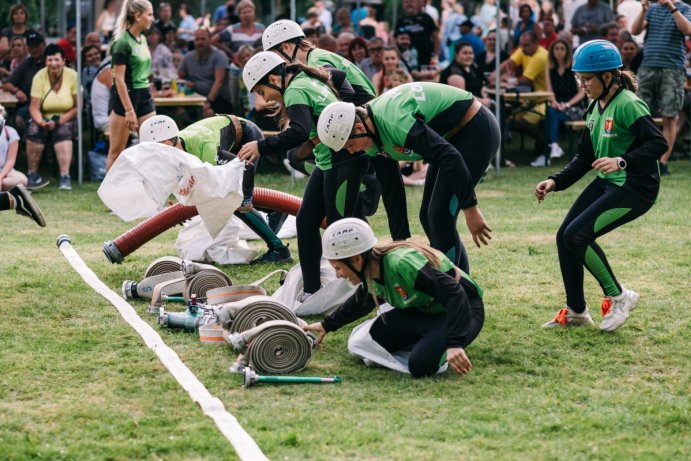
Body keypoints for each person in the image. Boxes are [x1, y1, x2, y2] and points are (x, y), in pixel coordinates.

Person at [535, 40, 667, 332]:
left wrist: (622, 161)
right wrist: (555, 181)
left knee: (577, 236)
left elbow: (658, 143)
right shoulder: (595, 107)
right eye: (578, 78)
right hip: (609, 182)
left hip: (636, 187)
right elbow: (585, 157)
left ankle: (619, 296)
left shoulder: (628, 104)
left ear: (608, 76)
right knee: (564, 237)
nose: (581, 84)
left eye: (586, 79)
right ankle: (577, 311)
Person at [317, 82, 500, 273]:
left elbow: (450, 158)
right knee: (428, 218)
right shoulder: (371, 135)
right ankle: (459, 289)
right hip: (452, 139)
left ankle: (454, 290)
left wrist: (470, 209)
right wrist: (399, 239)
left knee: (439, 217)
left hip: (475, 131)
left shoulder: (395, 122)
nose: (351, 152)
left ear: (359, 127)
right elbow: (391, 186)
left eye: (348, 145)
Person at [237, 52, 368, 302]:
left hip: (344, 161)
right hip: (328, 162)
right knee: (306, 222)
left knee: (341, 229)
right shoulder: (307, 79)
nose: (264, 100)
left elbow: (297, 131)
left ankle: (365, 289)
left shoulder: (295, 90)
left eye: (263, 92)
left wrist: (260, 147)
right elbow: (341, 81)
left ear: (275, 78)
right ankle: (311, 290)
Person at [303, 218, 484, 378]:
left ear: (356, 260)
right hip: (425, 312)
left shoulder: (401, 263)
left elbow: (454, 292)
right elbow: (362, 302)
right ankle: (429, 340)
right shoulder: (370, 269)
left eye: (338, 268)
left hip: (464, 309)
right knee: (369, 340)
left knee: (420, 366)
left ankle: (439, 344)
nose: (337, 275)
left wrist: (454, 343)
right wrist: (327, 325)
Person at [139, 115, 292, 263]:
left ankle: (279, 250)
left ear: (166, 144)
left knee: (232, 199)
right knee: (226, 197)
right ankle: (274, 210)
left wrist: (246, 199)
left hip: (246, 135)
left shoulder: (205, 148)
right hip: (224, 136)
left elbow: (246, 167)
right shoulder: (176, 149)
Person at [632, 0, 691, 176]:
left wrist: (671, 7)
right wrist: (643, 11)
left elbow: (687, 30)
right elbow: (634, 31)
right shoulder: (652, 9)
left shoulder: (685, 8)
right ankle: (643, 159)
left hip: (672, 68)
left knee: (669, 116)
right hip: (647, 66)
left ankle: (662, 162)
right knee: (639, 114)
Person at [106, 0, 156, 172]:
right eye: (149, 14)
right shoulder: (122, 42)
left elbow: (145, 71)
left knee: (154, 147)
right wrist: (129, 110)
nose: (152, 18)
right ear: (137, 16)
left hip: (144, 95)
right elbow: (118, 79)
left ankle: (147, 193)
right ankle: (108, 197)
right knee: (116, 152)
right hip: (125, 97)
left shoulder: (142, 39)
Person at [25, 44, 78, 190]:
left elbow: (78, 106)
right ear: (45, 61)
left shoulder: (73, 76)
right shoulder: (39, 76)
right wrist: (42, 122)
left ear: (62, 61)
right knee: (33, 130)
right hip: (44, 118)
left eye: (56, 59)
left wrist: (60, 120)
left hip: (66, 117)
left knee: (63, 132)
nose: (53, 63)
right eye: (49, 60)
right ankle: (32, 174)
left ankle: (65, 176)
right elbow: (34, 107)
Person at [531, 38, 586, 167]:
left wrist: (567, 104)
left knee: (550, 117)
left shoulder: (574, 70)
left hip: (575, 107)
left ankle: (548, 153)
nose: (559, 52)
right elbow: (550, 92)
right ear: (552, 52)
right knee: (550, 113)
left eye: (562, 49)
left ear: (567, 51)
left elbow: (582, 93)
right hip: (557, 106)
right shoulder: (549, 70)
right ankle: (553, 146)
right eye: (556, 49)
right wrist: (555, 102)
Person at [179, 28, 232, 116]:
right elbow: (180, 77)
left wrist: (208, 102)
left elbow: (219, 81)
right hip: (194, 99)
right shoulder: (188, 57)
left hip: (218, 100)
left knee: (208, 113)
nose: (200, 42)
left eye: (203, 39)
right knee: (177, 111)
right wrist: (186, 83)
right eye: (197, 39)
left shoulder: (220, 56)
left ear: (210, 40)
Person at [3, 31, 45, 133]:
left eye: (37, 45)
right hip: (30, 103)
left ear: (44, 45)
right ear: (28, 47)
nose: (34, 49)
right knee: (16, 118)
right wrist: (17, 91)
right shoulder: (27, 63)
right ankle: (20, 145)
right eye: (31, 46)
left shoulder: (50, 60)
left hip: (49, 102)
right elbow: (7, 84)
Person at [440, 41, 492, 107]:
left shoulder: (473, 67)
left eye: (471, 53)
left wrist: (486, 97)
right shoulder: (454, 72)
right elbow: (463, 98)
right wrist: (483, 102)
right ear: (456, 55)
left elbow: (482, 84)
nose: (469, 56)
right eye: (465, 53)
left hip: (477, 106)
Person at [213, 0, 265, 64]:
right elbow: (214, 40)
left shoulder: (261, 28)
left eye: (249, 12)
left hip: (258, 65)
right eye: (244, 13)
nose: (247, 15)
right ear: (239, 15)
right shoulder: (232, 29)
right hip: (238, 66)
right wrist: (230, 53)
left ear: (254, 13)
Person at [395, 0, 439, 69]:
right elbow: (394, 39)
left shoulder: (427, 18)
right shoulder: (400, 21)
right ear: (403, 5)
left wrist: (436, 55)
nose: (409, 4)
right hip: (407, 61)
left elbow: (435, 36)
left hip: (426, 59)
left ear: (417, 3)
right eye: (406, 2)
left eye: (411, 1)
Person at [0, 108, 27, 191]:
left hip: (4, 171)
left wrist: (0, 177)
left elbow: (10, 160)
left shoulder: (11, 132)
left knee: (22, 180)